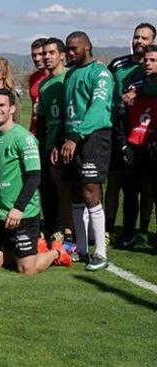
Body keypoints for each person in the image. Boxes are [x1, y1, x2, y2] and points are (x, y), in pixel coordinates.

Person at [0, 89, 71, 274]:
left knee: (27, 270)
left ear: (12, 109)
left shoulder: (24, 138)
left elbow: (34, 177)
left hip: (22, 214)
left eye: (1, 105)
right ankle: (27, 249)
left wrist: (18, 208)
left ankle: (55, 251)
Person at [53, 31, 113, 271]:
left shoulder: (100, 73)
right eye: (67, 48)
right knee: (75, 195)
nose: (69, 53)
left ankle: (100, 252)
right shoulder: (70, 75)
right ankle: (81, 248)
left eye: (74, 48)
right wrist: (61, 141)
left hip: (92, 137)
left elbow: (98, 109)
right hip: (70, 139)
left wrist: (76, 137)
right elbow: (67, 114)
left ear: (87, 47)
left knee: (90, 192)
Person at [105, 22, 156, 242]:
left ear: (152, 42)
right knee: (116, 182)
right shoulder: (117, 64)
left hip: (145, 135)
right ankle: (110, 228)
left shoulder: (148, 74)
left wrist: (139, 90)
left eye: (144, 38)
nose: (139, 41)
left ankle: (143, 230)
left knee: (148, 188)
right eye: (137, 37)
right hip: (119, 129)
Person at [115, 44, 157, 248]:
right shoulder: (133, 89)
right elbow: (122, 121)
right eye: (147, 60)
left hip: (154, 149)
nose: (148, 63)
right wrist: (124, 145)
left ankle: (147, 233)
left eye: (153, 60)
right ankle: (128, 234)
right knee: (130, 193)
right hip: (134, 148)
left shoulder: (141, 89)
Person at [35, 38, 73, 242]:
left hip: (67, 144)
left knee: (68, 191)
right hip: (48, 145)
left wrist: (62, 141)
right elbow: (42, 119)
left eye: (51, 53)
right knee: (49, 190)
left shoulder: (70, 77)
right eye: (44, 53)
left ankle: (70, 232)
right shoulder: (44, 85)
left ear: (62, 55)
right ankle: (56, 229)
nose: (46, 57)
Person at [27, 38, 49, 133]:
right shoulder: (33, 78)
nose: (37, 59)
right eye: (34, 55)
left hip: (52, 131)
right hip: (35, 131)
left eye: (41, 54)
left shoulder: (62, 77)